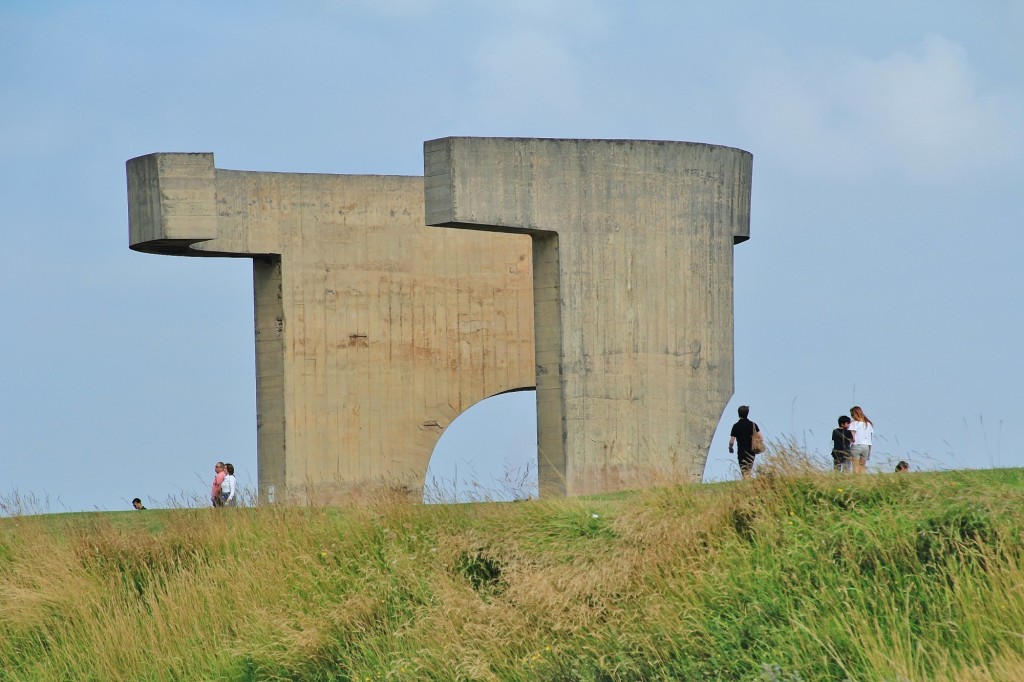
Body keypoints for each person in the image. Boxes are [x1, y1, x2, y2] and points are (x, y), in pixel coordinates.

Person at [728, 405, 761, 479]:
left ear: (738, 414)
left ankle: (747, 484)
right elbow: (761, 437)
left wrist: (730, 448)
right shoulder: (753, 424)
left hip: (741, 451)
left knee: (744, 470)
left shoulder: (736, 426)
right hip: (751, 451)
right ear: (747, 413)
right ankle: (749, 483)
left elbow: (732, 440)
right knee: (748, 469)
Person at [848, 406, 874, 474]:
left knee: (855, 466)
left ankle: (856, 481)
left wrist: (851, 440)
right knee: (862, 466)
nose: (852, 416)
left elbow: (852, 435)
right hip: (866, 447)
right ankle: (862, 481)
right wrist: (869, 451)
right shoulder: (868, 424)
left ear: (856, 413)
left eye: (852, 414)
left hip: (856, 445)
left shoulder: (853, 423)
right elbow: (870, 439)